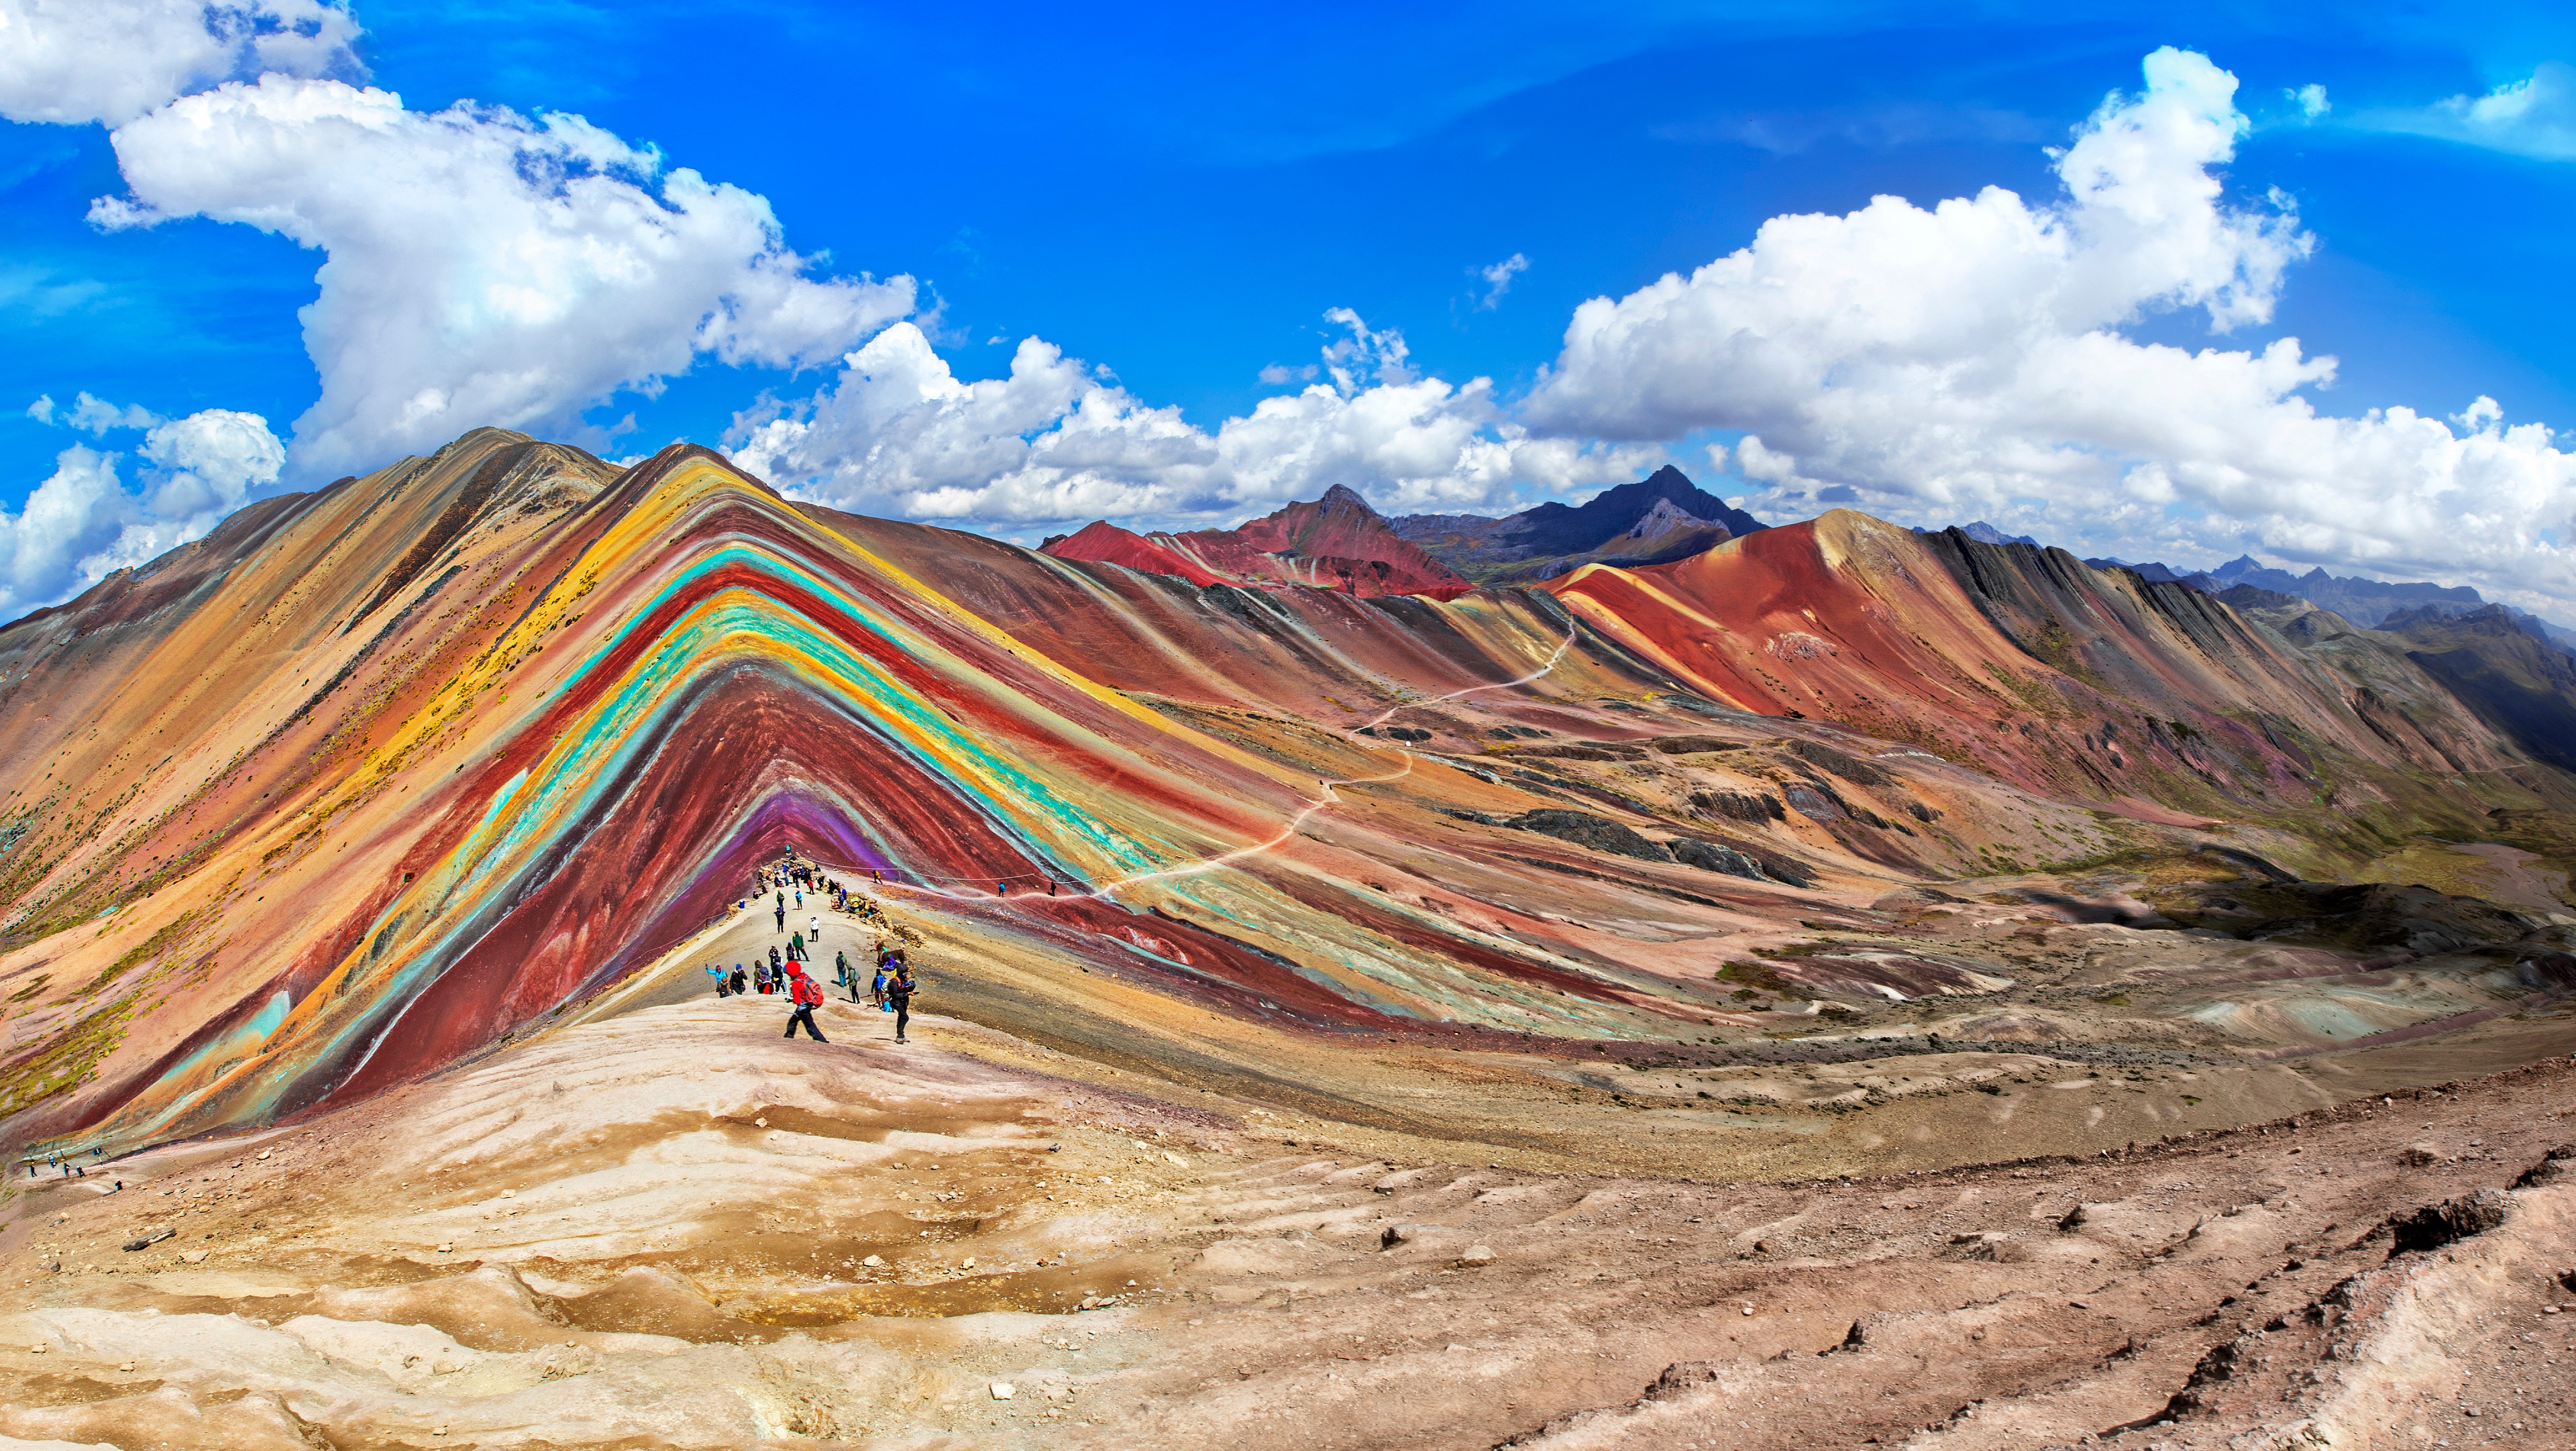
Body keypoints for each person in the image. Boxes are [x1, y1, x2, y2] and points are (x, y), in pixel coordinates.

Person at [784, 965, 828, 1041]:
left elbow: (797, 1001)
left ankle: (822, 1041)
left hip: (803, 1009)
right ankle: (788, 1037)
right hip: (807, 1005)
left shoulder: (796, 983)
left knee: (810, 1027)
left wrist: (791, 1000)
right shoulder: (804, 976)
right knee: (792, 1022)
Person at [884, 963, 916, 1043]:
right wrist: (908, 994)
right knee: (905, 1017)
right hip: (896, 1002)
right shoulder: (894, 982)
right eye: (905, 973)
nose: (906, 975)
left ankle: (901, 1035)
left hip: (903, 1002)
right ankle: (900, 1036)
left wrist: (910, 988)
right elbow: (896, 995)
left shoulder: (903, 980)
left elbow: (903, 990)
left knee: (901, 1018)